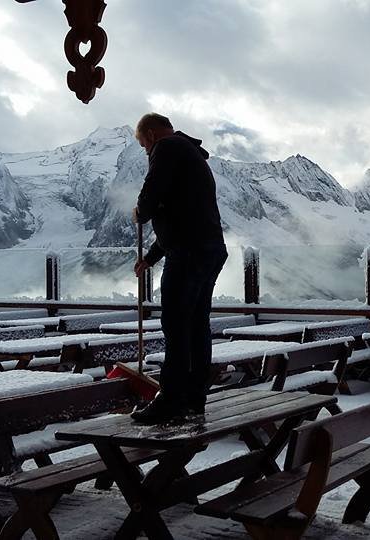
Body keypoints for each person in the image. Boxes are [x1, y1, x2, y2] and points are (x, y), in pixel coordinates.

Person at [130, 113, 228, 424]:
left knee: (175, 324)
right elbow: (180, 214)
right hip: (207, 250)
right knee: (196, 325)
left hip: (187, 253)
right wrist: (151, 257)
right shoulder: (190, 154)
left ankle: (170, 400)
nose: (146, 151)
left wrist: (140, 211)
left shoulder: (167, 147)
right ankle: (193, 399)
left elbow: (152, 193)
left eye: (144, 145)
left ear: (150, 133)